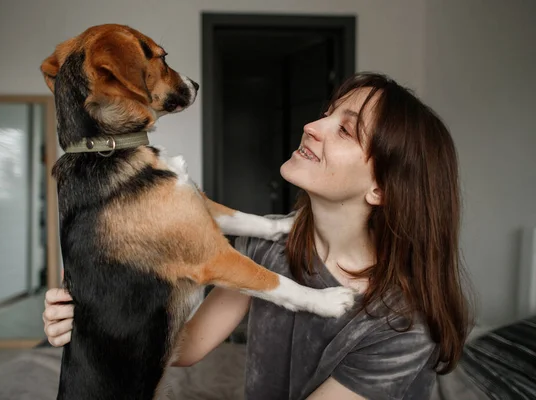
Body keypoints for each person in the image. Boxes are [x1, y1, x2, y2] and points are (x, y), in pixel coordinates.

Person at [42, 72, 472, 399]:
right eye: (326, 113)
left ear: (381, 187)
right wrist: (96, 322)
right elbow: (184, 345)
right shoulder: (271, 246)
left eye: (345, 129)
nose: (312, 126)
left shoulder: (401, 325)